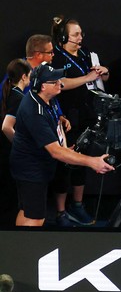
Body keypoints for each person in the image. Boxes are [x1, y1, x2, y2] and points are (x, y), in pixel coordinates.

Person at [10, 63, 113, 227]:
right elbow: (55, 152)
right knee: (36, 217)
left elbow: (57, 129)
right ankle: (27, 249)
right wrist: (92, 162)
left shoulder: (47, 99)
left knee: (28, 210)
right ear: (43, 86)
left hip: (37, 166)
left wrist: (65, 148)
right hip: (30, 169)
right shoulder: (34, 111)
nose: (60, 83)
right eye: (55, 81)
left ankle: (18, 247)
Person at [49, 16, 109, 227]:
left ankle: (78, 204)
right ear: (64, 36)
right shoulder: (56, 57)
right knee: (65, 163)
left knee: (83, 160)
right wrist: (87, 78)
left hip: (87, 114)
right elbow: (60, 84)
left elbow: (99, 78)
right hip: (66, 117)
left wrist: (104, 72)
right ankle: (61, 211)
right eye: (75, 34)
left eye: (81, 33)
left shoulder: (85, 53)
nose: (80, 37)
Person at [0, 58, 29, 227]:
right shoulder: (18, 97)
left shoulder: (10, 93)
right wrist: (21, 146)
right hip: (10, 155)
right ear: (24, 77)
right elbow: (6, 127)